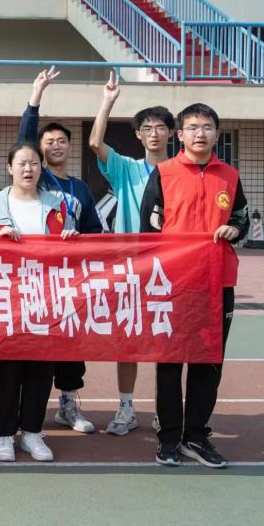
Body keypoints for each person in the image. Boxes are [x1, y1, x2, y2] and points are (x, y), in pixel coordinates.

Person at [142, 103, 247, 469]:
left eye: (207, 127)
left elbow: (241, 217)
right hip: (173, 284)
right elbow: (146, 232)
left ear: (217, 134)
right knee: (170, 363)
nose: (200, 133)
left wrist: (235, 229)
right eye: (192, 127)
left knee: (209, 361)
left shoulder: (230, 176)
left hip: (218, 281)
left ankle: (196, 437)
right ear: (180, 135)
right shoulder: (163, 174)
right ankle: (169, 438)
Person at [87, 73, 175, 436]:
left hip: (171, 269)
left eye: (160, 127)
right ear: (138, 135)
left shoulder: (181, 172)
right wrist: (108, 101)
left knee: (167, 343)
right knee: (129, 339)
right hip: (131, 269)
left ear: (171, 133)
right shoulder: (126, 169)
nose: (154, 133)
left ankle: (166, 410)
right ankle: (126, 408)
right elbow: (95, 143)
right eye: (147, 128)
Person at [18, 68, 103, 435]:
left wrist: (81, 243)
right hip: (36, 277)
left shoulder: (81, 188)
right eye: (48, 141)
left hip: (71, 280)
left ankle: (68, 404)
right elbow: (24, 139)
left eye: (61, 141)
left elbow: (95, 232)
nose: (55, 146)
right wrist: (36, 96)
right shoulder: (38, 180)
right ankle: (26, 407)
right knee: (36, 341)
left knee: (71, 341)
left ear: (69, 146)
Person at [0, 141, 79, 462]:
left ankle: (32, 432)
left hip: (46, 297)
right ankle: (3, 434)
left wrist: (71, 239)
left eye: (34, 163)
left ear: (42, 168)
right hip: (7, 298)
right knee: (8, 370)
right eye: (21, 163)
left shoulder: (57, 205)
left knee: (41, 369)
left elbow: (71, 251)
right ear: (9, 168)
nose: (28, 169)